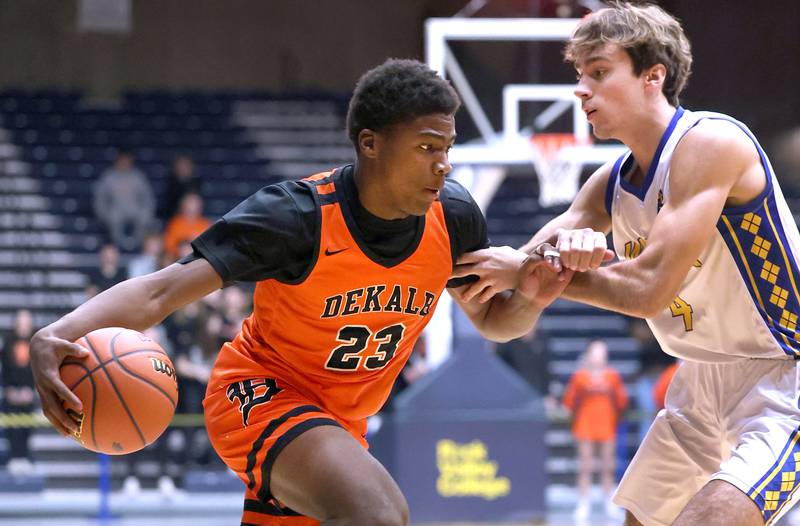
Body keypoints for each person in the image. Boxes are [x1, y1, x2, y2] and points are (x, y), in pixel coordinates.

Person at [28, 59, 571, 526]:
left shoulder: (453, 215)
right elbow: (162, 290)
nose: (443, 163)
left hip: (342, 422)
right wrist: (57, 333)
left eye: (447, 147)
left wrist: (532, 297)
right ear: (371, 144)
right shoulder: (296, 216)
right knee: (377, 512)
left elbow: (496, 322)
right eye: (427, 146)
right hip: (259, 393)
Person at [453, 3, 800, 525]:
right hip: (698, 381)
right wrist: (487, 274)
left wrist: (540, 274)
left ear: (652, 77)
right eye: (579, 75)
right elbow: (504, 318)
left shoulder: (711, 144)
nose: (580, 89)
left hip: (782, 376)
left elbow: (646, 291)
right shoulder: (607, 185)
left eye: (599, 72)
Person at [562, 339, 627, 522]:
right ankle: (583, 503)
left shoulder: (612, 377)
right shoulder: (580, 376)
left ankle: (609, 503)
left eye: (602, 352)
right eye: (596, 352)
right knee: (585, 466)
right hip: (585, 426)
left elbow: (621, 401)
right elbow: (569, 401)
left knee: (608, 466)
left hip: (607, 425)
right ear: (589, 354)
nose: (599, 356)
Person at [93, 149, 155, 252]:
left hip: (135, 210)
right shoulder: (109, 177)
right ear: (117, 160)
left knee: (144, 219)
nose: (125, 163)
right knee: (114, 217)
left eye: (127, 160)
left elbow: (148, 198)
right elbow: (100, 200)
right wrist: (104, 215)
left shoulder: (137, 176)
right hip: (116, 211)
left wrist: (146, 213)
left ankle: (137, 246)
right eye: (122, 160)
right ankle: (118, 247)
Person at [2, 310, 37, 475]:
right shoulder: (8, 343)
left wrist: (30, 390)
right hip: (11, 394)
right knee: (12, 427)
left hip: (28, 394)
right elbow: (5, 370)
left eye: (26, 322)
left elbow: (37, 371)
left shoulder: (36, 343)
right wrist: (9, 390)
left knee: (26, 427)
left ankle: (25, 456)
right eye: (21, 321)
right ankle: (14, 457)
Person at [162, 192, 211, 261]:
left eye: (196, 203)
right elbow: (169, 247)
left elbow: (209, 247)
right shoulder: (175, 223)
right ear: (183, 205)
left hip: (200, 260)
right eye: (190, 202)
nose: (193, 206)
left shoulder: (205, 223)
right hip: (178, 260)